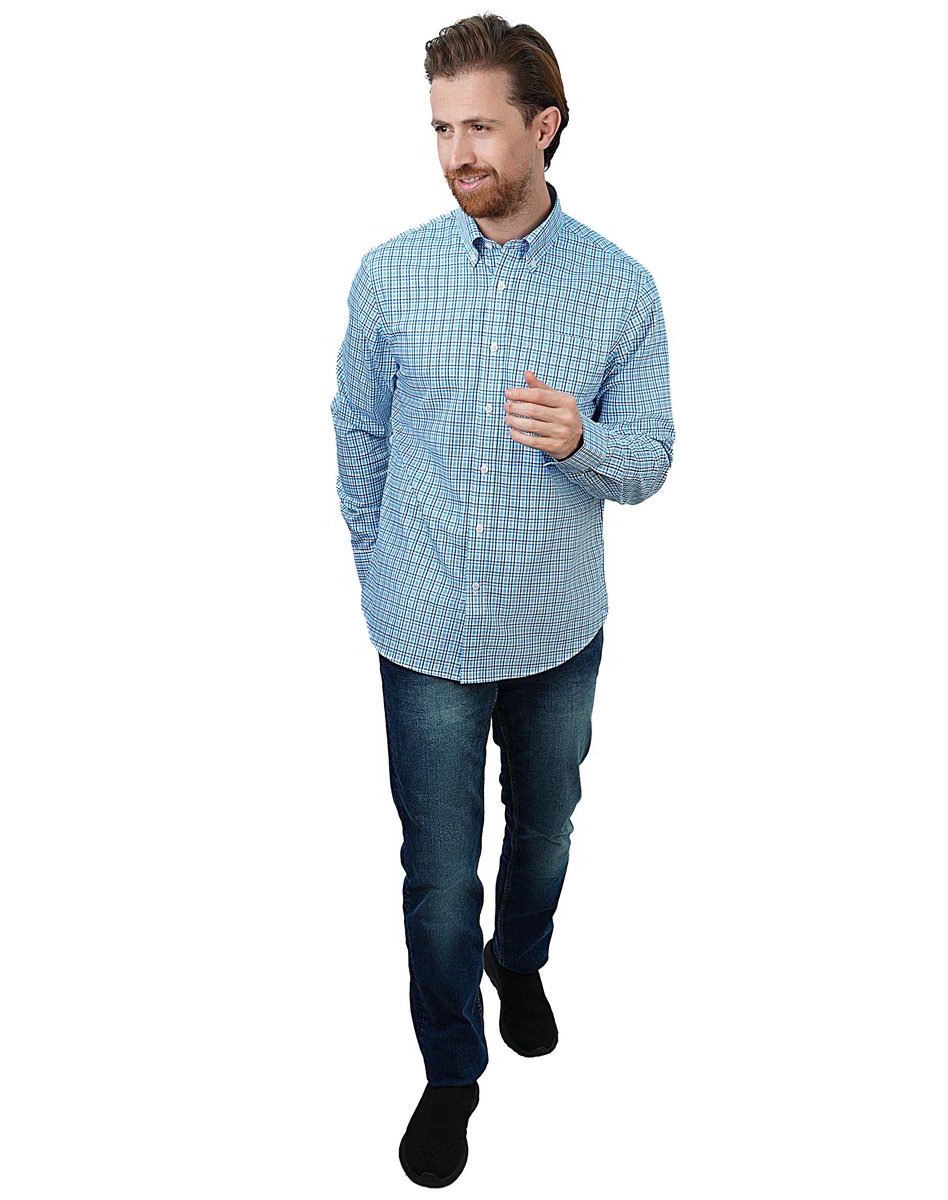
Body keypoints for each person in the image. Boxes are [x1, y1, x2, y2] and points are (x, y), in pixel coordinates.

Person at [331, 13, 674, 1188]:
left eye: (479, 126)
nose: (456, 152)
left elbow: (652, 458)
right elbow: (358, 431)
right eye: (440, 128)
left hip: (554, 628)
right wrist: (379, 563)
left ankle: (519, 959)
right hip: (421, 630)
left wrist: (581, 439)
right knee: (437, 871)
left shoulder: (620, 290)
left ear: (545, 126)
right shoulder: (390, 273)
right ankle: (451, 1073)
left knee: (546, 824)